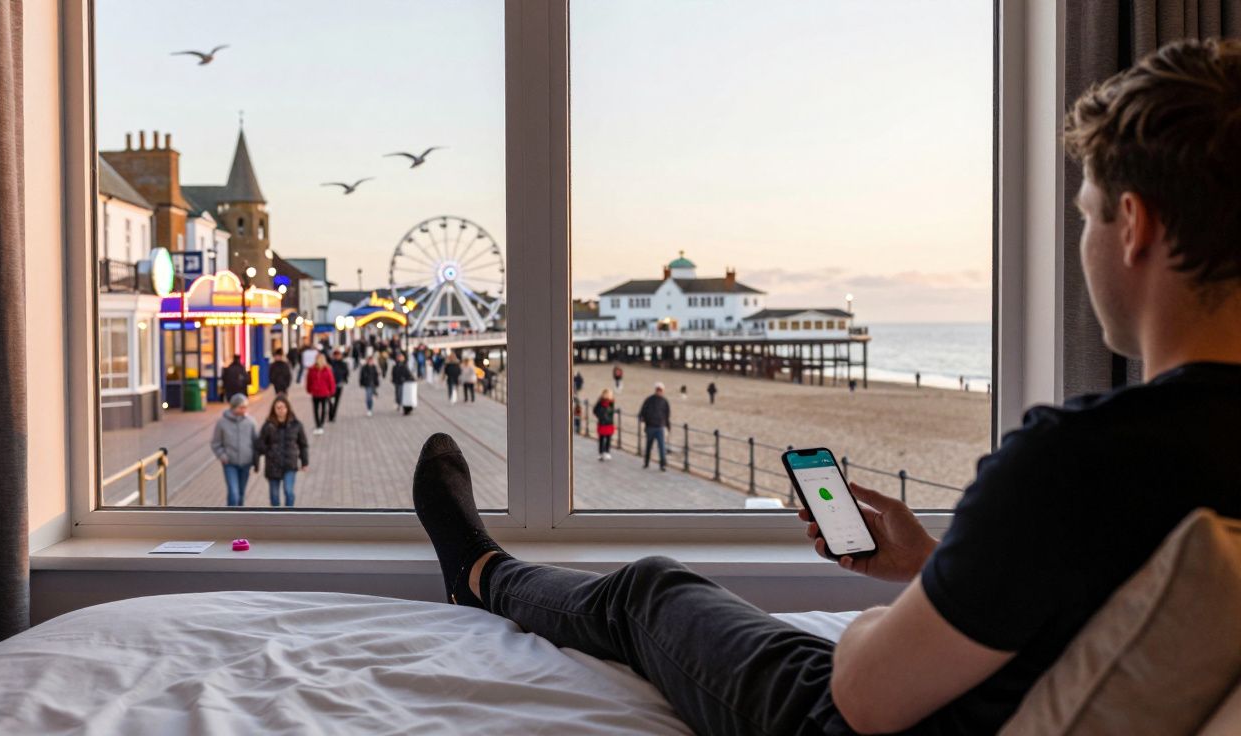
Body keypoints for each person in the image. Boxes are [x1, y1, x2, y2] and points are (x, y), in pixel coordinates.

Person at [407, 40, 1241, 735]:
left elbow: (864, 694)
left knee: (649, 590)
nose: (1085, 244)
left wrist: (884, 621)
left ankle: (478, 571)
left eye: (1089, 213)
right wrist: (940, 567)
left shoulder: (1073, 461)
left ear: (1134, 226)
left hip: (844, 719)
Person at [256, 395, 308, 507]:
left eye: (283, 407)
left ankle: (288, 517)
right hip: (273, 465)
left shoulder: (296, 425)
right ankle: (276, 520)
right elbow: (260, 444)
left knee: (289, 492)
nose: (281, 410)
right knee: (274, 497)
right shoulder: (268, 426)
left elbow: (303, 445)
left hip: (290, 464)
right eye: (277, 408)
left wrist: (305, 462)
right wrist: (269, 451)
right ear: (274, 410)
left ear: (288, 408)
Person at [210, 394, 258, 507]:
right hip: (230, 463)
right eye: (241, 407)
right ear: (233, 407)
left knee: (241, 493)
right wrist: (222, 456)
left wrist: (254, 459)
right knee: (234, 493)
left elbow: (256, 441)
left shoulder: (250, 422)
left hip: (246, 463)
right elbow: (215, 443)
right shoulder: (222, 423)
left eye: (245, 407)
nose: (244, 410)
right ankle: (230, 517)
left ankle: (239, 518)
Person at [638, 382, 670, 471]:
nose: (659, 391)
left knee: (662, 446)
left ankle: (662, 465)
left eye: (660, 390)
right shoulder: (649, 400)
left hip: (660, 427)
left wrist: (668, 427)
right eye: (658, 389)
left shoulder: (665, 401)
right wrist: (642, 419)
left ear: (663, 391)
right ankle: (646, 462)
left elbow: (667, 415)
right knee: (649, 446)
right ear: (655, 390)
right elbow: (642, 411)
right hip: (650, 427)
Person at [306, 353, 336, 435]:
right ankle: (318, 424)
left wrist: (332, 390)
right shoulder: (311, 369)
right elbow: (309, 380)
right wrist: (309, 389)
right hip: (315, 392)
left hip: (324, 392)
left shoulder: (327, 369)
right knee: (316, 409)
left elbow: (331, 381)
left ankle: (320, 424)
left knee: (323, 408)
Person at [592, 388, 616, 460]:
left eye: (609, 394)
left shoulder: (611, 402)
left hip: (609, 423)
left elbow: (611, 412)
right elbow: (595, 410)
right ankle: (601, 453)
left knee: (608, 438)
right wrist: (600, 416)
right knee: (601, 439)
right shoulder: (600, 402)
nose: (609, 395)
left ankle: (607, 452)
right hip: (602, 423)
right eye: (608, 394)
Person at [328, 349, 349, 422]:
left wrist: (345, 379)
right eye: (335, 355)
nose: (337, 356)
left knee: (336, 401)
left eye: (338, 355)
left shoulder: (343, 363)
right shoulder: (331, 363)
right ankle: (331, 413)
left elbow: (346, 372)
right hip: (330, 385)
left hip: (339, 384)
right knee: (329, 401)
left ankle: (333, 416)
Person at [359, 350, 380, 417]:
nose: (370, 361)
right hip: (367, 384)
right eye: (369, 360)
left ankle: (375, 393)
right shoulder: (364, 367)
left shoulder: (374, 367)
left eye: (371, 360)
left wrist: (377, 383)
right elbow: (361, 376)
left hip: (373, 384)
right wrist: (361, 383)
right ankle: (369, 409)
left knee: (370, 395)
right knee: (368, 397)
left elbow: (376, 376)